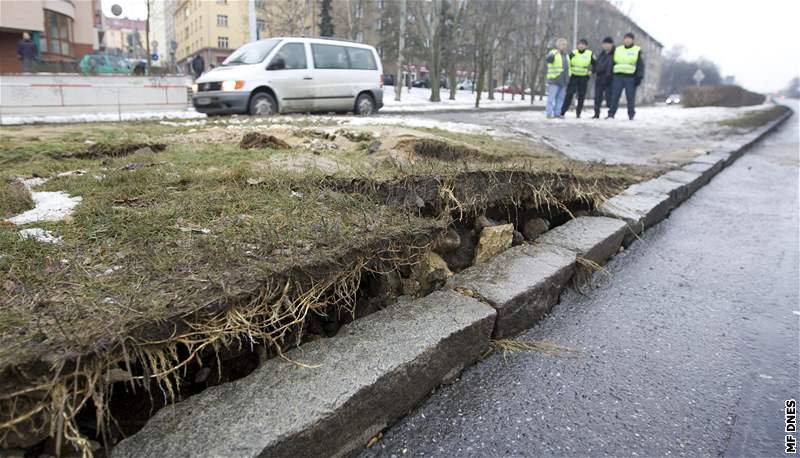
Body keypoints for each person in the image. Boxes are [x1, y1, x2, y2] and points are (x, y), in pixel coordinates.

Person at [607, 32, 645, 120]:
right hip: (618, 76)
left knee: (630, 97)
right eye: (626, 39)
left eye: (629, 39)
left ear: (632, 40)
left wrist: (639, 77)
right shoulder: (618, 49)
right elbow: (612, 62)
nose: (627, 40)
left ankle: (631, 114)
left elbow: (640, 65)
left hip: (630, 77)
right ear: (623, 40)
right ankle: (611, 114)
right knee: (615, 96)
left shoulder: (637, 50)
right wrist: (609, 74)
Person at [560, 38, 593, 118]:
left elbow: (595, 64)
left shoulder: (589, 54)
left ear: (586, 46)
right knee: (569, 94)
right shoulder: (573, 53)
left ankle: (578, 113)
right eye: (580, 44)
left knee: (581, 96)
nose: (581, 46)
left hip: (583, 77)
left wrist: (591, 71)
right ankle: (562, 112)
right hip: (574, 76)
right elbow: (567, 62)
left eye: (583, 44)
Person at [545, 38, 569, 119]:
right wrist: (554, 54)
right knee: (551, 99)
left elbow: (568, 68)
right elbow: (548, 59)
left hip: (564, 81)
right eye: (562, 44)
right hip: (554, 80)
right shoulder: (553, 53)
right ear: (557, 45)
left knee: (560, 99)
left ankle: (557, 113)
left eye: (565, 44)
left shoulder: (566, 55)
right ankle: (549, 113)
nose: (563, 46)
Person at [592, 36, 615, 119]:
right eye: (604, 44)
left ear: (612, 45)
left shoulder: (615, 54)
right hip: (599, 78)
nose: (606, 46)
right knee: (597, 97)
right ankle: (596, 113)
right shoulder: (601, 54)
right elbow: (597, 65)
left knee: (609, 97)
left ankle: (610, 114)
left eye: (608, 44)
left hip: (609, 78)